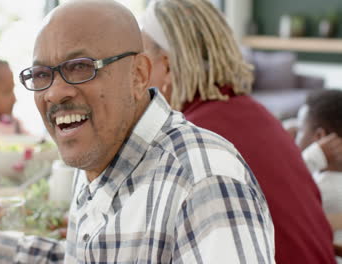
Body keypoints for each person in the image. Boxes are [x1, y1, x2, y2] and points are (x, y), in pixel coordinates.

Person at [0, 1, 274, 263]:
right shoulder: (99, 150)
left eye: (80, 67)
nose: (55, 93)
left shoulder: (203, 182)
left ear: (138, 75)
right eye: (42, 74)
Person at [141, 0, 335, 263]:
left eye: (140, 62)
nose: (136, 76)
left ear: (166, 66)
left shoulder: (187, 139)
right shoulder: (261, 115)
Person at [295, 90, 342, 263]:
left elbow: (280, 195)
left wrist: (310, 158)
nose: (294, 137)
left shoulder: (324, 190)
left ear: (320, 137)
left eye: (300, 130)